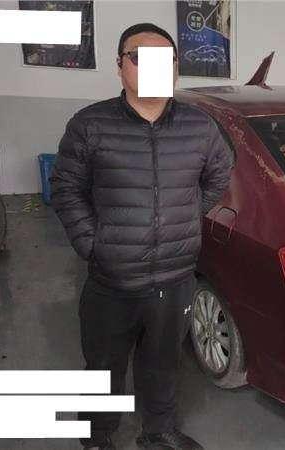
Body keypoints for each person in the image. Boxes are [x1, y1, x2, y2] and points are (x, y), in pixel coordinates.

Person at [51, 23, 233, 450]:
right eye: (140, 58)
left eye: (164, 60)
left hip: (175, 276)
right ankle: (98, 437)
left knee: (163, 363)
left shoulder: (199, 126)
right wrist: (92, 243)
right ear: (120, 67)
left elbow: (219, 174)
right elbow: (66, 187)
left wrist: (186, 217)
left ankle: (158, 431)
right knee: (104, 366)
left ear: (175, 69)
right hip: (112, 279)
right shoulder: (90, 125)